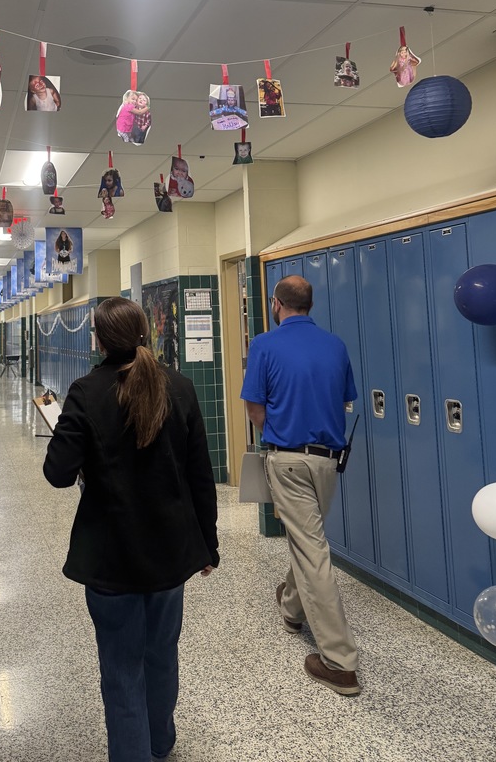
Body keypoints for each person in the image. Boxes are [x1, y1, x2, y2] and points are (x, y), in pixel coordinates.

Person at [43, 297, 218, 762]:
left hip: (112, 557)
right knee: (161, 654)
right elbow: (200, 474)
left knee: (121, 669)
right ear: (144, 333)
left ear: (97, 339)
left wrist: (66, 429)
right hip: (170, 553)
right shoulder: (179, 387)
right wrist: (208, 545)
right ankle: (160, 742)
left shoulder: (85, 392)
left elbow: (57, 472)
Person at [240, 275, 360, 696]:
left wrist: (272, 433)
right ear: (310, 304)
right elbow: (347, 396)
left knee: (311, 548)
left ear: (277, 304)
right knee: (310, 538)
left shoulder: (265, 344)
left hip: (287, 459)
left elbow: (254, 403)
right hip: (328, 462)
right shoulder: (335, 345)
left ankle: (340, 662)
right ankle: (292, 608)